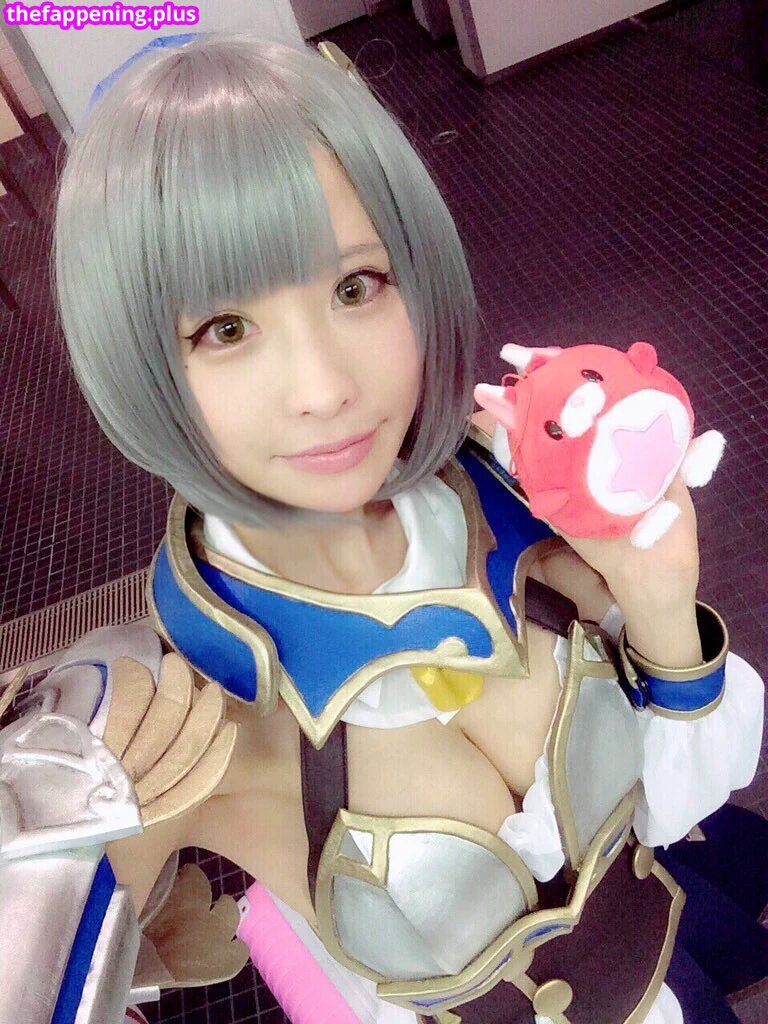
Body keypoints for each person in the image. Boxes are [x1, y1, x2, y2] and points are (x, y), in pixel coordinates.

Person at [45, 30, 767, 1024]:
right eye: (225, 329)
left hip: (663, 969)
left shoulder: (502, 492)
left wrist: (661, 607)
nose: (324, 388)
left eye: (355, 287)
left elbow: (682, 794)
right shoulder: (170, 713)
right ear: (138, 361)